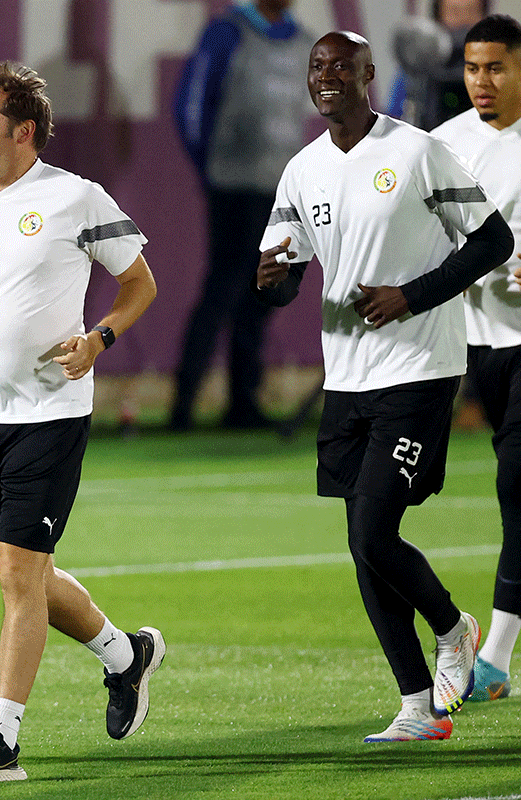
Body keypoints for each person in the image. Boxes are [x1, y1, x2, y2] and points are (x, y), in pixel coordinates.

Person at [0, 61, 162, 782]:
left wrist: (98, 339)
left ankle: (1, 738)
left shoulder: (76, 198)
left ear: (23, 131)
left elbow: (138, 283)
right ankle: (126, 654)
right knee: (26, 575)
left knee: (19, 577)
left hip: (51, 413)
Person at [256, 31, 514, 741]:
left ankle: (453, 628)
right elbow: (290, 273)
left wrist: (413, 295)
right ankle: (415, 707)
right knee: (362, 543)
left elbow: (493, 242)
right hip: (347, 379)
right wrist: (275, 285)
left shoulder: (417, 152)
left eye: (342, 66)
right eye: (317, 67)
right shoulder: (302, 170)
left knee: (375, 529)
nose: (327, 77)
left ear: (370, 75)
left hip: (421, 371)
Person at [169, 0, 314, 430]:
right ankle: (184, 402)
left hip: (280, 188)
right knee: (224, 287)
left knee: (262, 291)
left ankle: (243, 402)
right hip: (232, 185)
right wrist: (211, 168)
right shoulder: (227, 32)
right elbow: (191, 105)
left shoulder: (302, 40)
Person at [432, 13, 521, 703]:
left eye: (495, 67)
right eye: (472, 68)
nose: (481, 82)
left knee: (517, 487)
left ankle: (493, 656)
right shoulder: (444, 144)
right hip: (477, 342)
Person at [390, 0, 489, 131]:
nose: (464, 21)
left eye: (471, 12)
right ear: (438, 17)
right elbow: (395, 119)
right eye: (455, 12)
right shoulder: (418, 67)